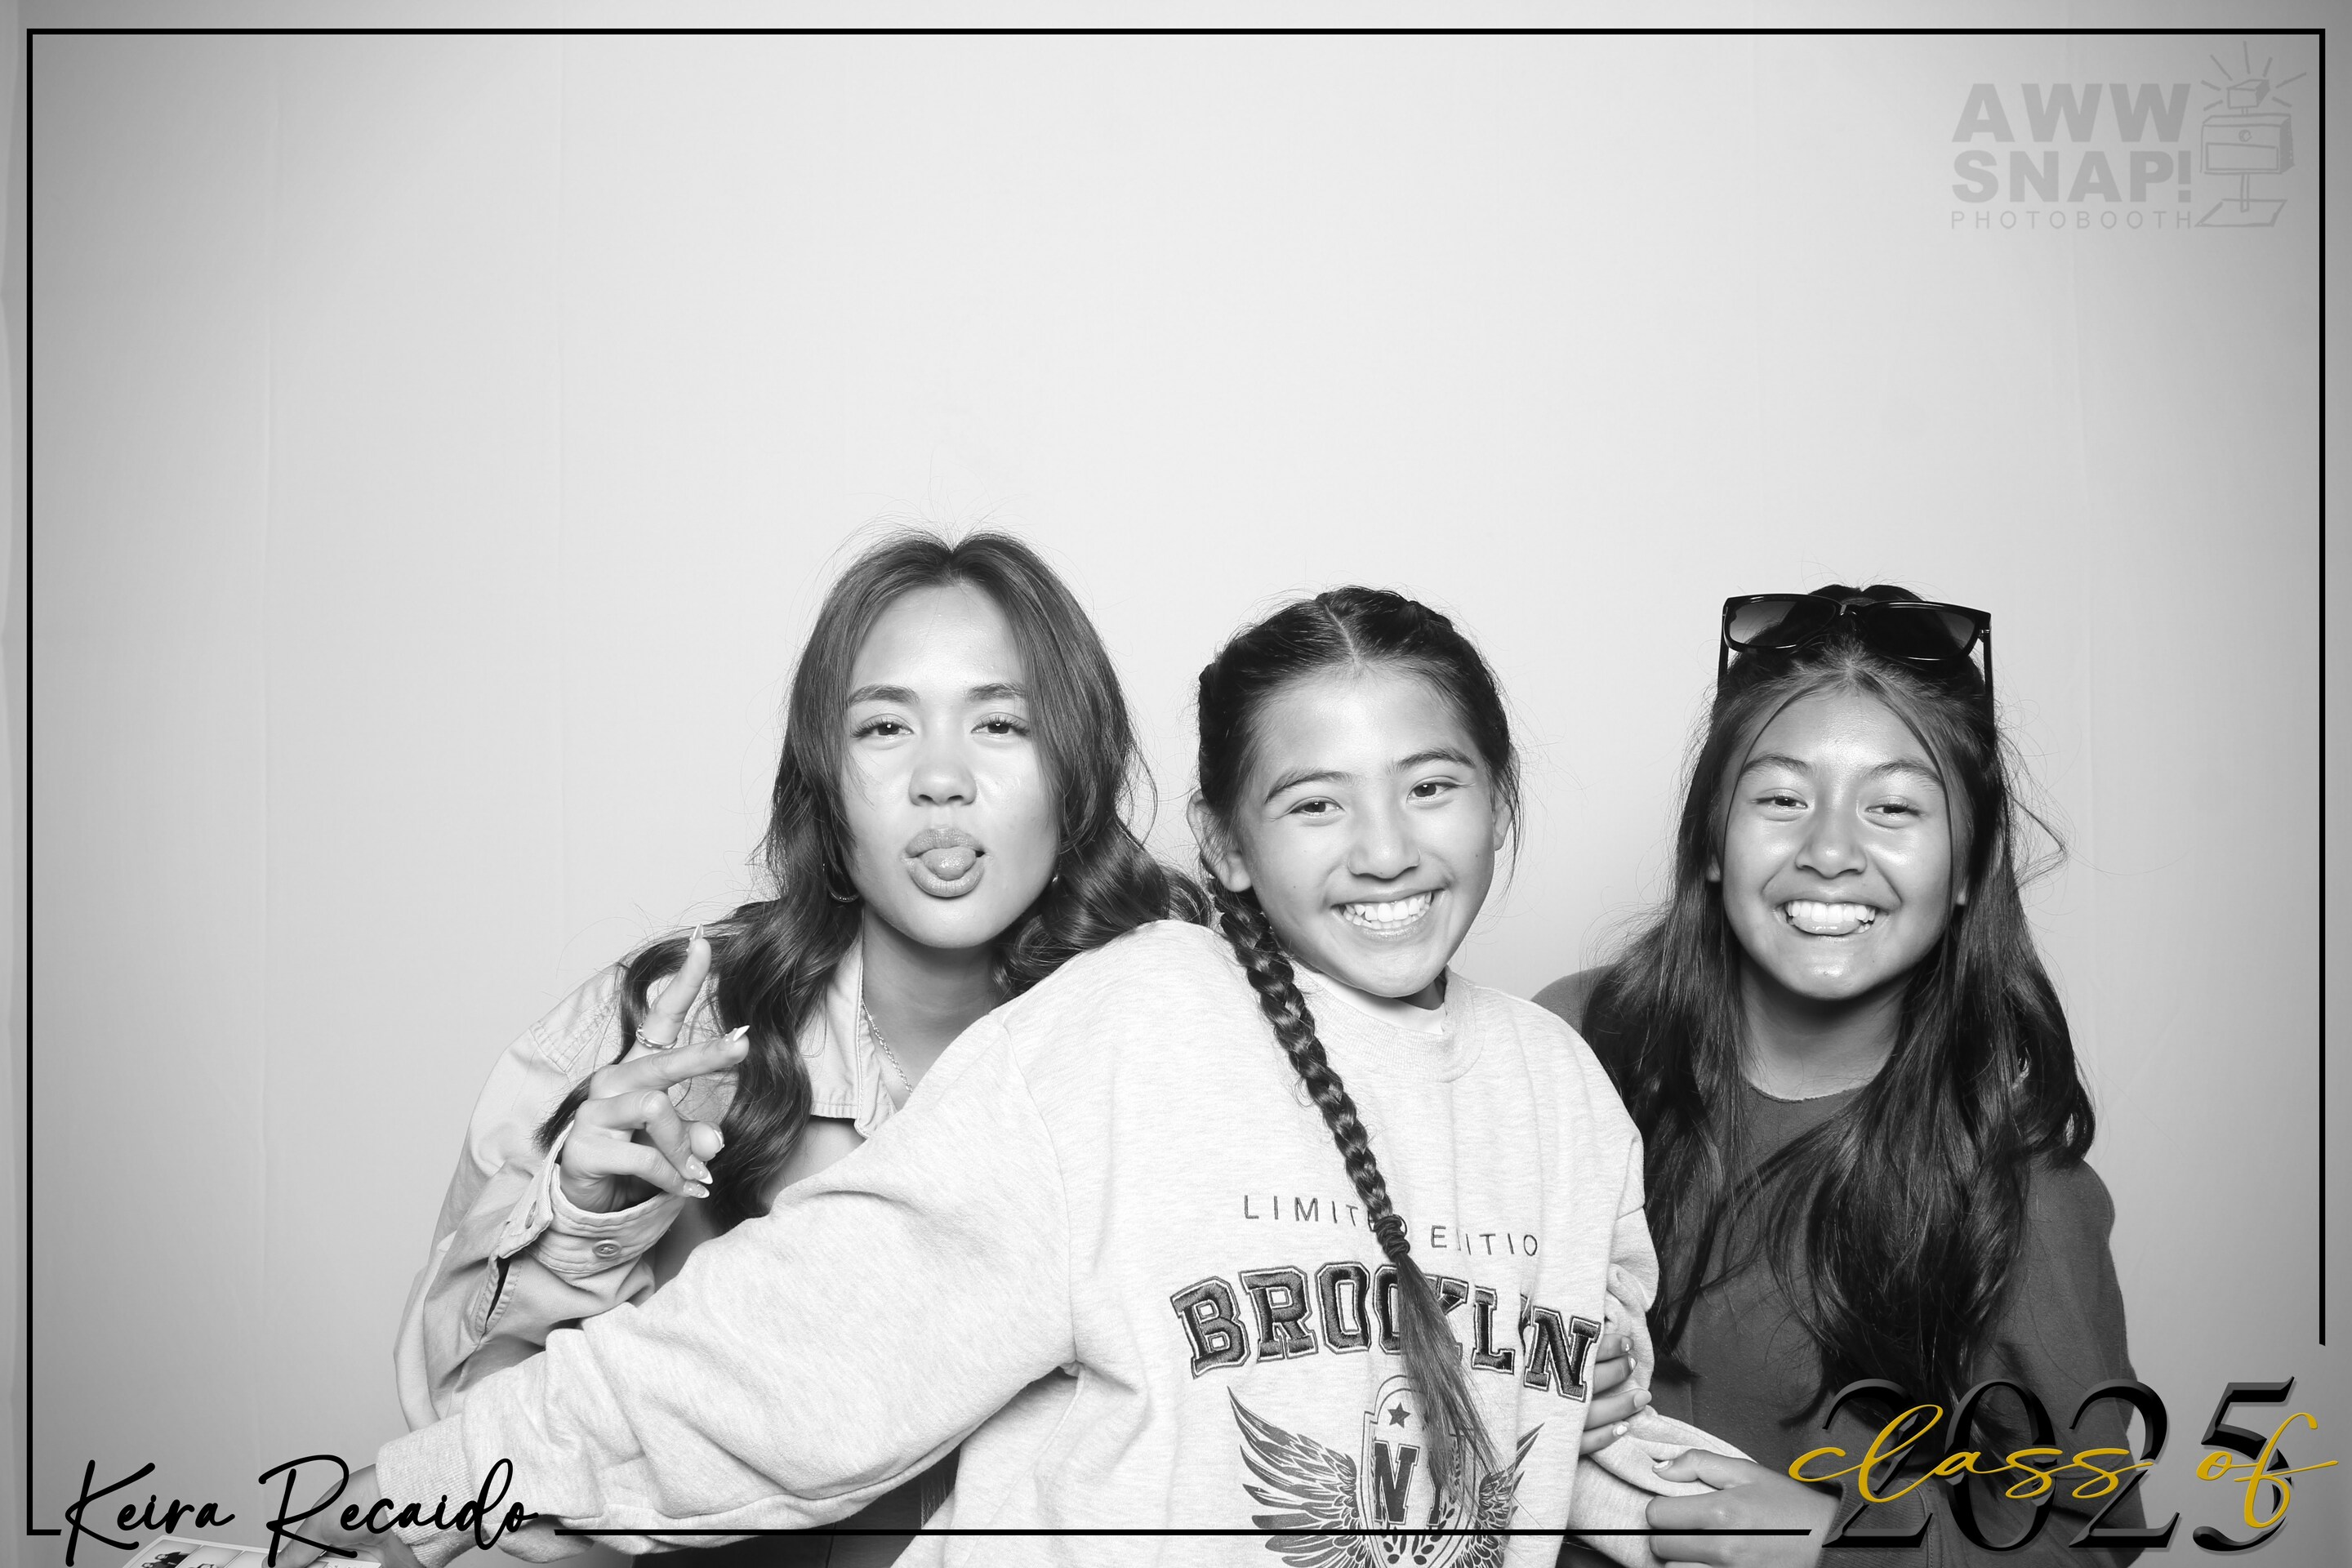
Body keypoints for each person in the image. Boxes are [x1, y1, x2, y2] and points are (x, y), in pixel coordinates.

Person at [287, 588, 1736, 1568]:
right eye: (886, 726)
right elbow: (776, 1361)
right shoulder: (1105, 1033)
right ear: (1228, 841)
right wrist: (391, 1500)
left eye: (1432, 785)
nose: (1386, 847)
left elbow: (1564, 1424)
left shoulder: (1551, 1086)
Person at [395, 529, 1194, 1565]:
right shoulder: (664, 1027)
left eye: (1001, 723)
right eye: (884, 727)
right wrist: (589, 1225)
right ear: (825, 783)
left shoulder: (1170, 1040)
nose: (941, 778)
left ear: (1075, 777)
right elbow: (464, 1467)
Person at [1537, 587, 2145, 1566]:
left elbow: (2092, 1537)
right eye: (1782, 799)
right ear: (1710, 839)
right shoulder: (1568, 1045)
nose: (1828, 852)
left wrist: (1838, 1544)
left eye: (1894, 808)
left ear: (1969, 866)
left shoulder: (2017, 1185)